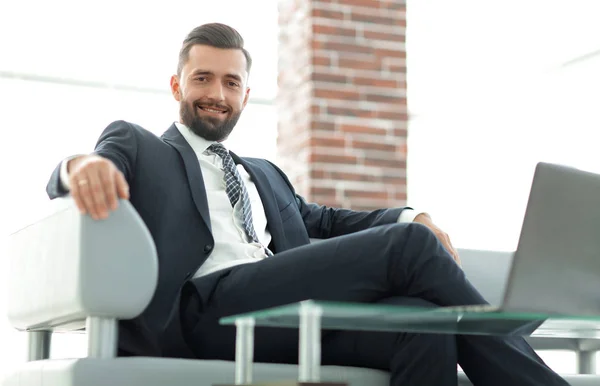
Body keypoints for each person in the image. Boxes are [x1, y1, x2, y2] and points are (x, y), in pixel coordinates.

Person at [45, 23, 568, 386]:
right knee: (409, 248)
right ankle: (511, 351)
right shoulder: (141, 145)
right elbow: (85, 167)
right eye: (202, 79)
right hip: (206, 311)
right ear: (177, 84)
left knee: (421, 320)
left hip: (282, 312)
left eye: (231, 82)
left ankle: (486, 331)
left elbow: (326, 220)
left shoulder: (265, 174)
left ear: (246, 95)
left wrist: (411, 213)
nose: (217, 94)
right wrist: (80, 167)